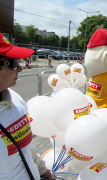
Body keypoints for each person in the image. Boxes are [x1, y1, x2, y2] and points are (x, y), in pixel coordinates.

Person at [0, 32, 52, 180]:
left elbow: (25, 147)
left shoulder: (15, 98)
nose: (20, 69)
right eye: (14, 63)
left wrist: (43, 171)